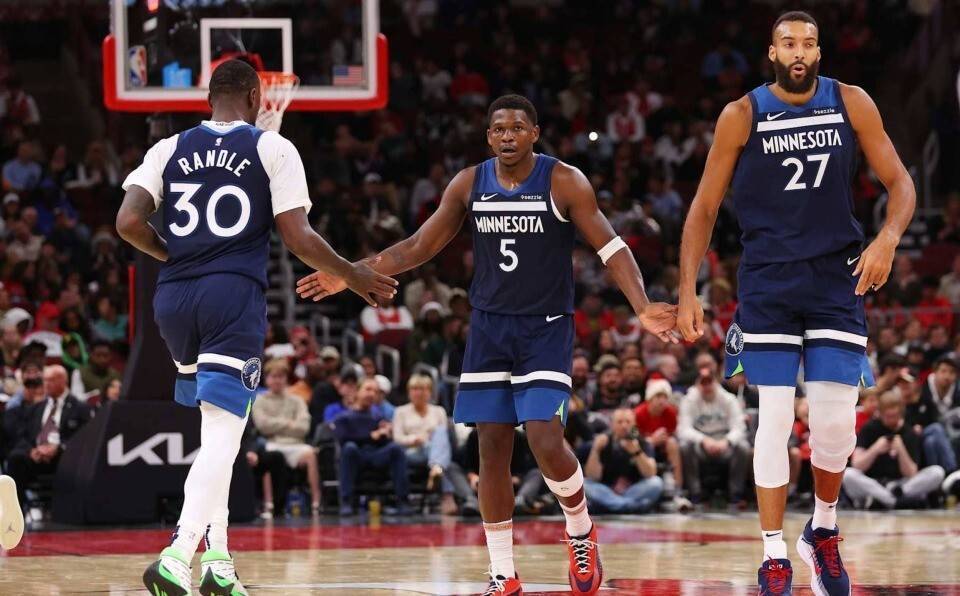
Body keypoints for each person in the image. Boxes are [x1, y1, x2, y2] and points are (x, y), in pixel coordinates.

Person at [298, 93, 677, 595]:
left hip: (545, 328)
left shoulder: (564, 180)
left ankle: (580, 529)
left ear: (534, 133)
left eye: (517, 128)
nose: (507, 136)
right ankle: (503, 574)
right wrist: (349, 273)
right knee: (491, 449)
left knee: (544, 439)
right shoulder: (468, 182)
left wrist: (642, 304)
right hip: (489, 329)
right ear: (488, 136)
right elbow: (418, 246)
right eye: (498, 129)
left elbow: (611, 246)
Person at [115, 59, 397, 596]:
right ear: (255, 98)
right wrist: (352, 273)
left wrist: (175, 254)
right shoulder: (273, 147)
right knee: (224, 434)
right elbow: (298, 236)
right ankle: (178, 554)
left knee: (219, 431)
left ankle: (219, 563)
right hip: (231, 295)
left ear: (208, 100)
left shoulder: (168, 148)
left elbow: (127, 222)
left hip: (173, 298)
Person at [677, 11, 916, 594]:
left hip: (837, 277)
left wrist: (887, 238)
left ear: (819, 51)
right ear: (772, 52)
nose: (799, 51)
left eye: (808, 43)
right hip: (769, 281)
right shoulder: (743, 114)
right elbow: (704, 207)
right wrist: (687, 289)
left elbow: (902, 183)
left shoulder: (851, 101)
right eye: (789, 43)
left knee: (835, 422)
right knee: (776, 417)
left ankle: (822, 529)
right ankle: (773, 554)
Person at [843, 390, 945, 508]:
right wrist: (875, 449)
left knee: (937, 472)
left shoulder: (909, 432)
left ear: (901, 413)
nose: (891, 420)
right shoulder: (869, 428)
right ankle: (894, 501)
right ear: (880, 413)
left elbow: (911, 473)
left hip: (901, 484)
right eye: (888, 416)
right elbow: (857, 465)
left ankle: (883, 499)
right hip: (873, 482)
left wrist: (901, 450)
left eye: (895, 416)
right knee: (848, 474)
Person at [392, 374, 477, 515]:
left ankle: (437, 468)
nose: (419, 393)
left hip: (435, 450)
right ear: (409, 392)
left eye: (423, 389)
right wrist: (414, 439)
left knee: (441, 433)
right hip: (412, 452)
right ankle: (446, 493)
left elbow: (443, 438)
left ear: (430, 392)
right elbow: (397, 438)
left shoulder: (439, 411)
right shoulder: (400, 412)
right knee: (443, 457)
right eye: (415, 389)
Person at [251, 359, 321, 515]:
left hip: (296, 444)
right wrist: (289, 423)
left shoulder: (297, 400)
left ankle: (316, 502)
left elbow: (304, 427)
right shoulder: (259, 401)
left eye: (281, 376)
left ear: (286, 379)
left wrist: (276, 425)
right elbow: (263, 425)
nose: (277, 380)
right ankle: (269, 503)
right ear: (267, 379)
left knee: (311, 455)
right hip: (272, 443)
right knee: (269, 456)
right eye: (274, 376)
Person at [332, 378, 410, 516]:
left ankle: (402, 501)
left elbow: (382, 441)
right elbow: (343, 440)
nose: (372, 394)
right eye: (368, 389)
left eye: (375, 391)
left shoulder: (378, 416)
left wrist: (386, 433)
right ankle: (346, 501)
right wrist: (370, 436)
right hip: (356, 456)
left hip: (375, 455)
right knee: (349, 448)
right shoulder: (343, 417)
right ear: (357, 391)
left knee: (396, 449)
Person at [583, 408, 663, 513]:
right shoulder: (603, 441)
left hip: (632, 490)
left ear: (634, 424)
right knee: (584, 484)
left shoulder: (642, 442)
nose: (624, 426)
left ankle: (611, 506)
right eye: (619, 422)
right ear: (612, 424)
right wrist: (596, 450)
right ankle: (630, 506)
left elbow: (650, 473)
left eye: (628, 422)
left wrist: (637, 452)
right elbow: (593, 476)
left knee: (656, 482)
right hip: (606, 489)